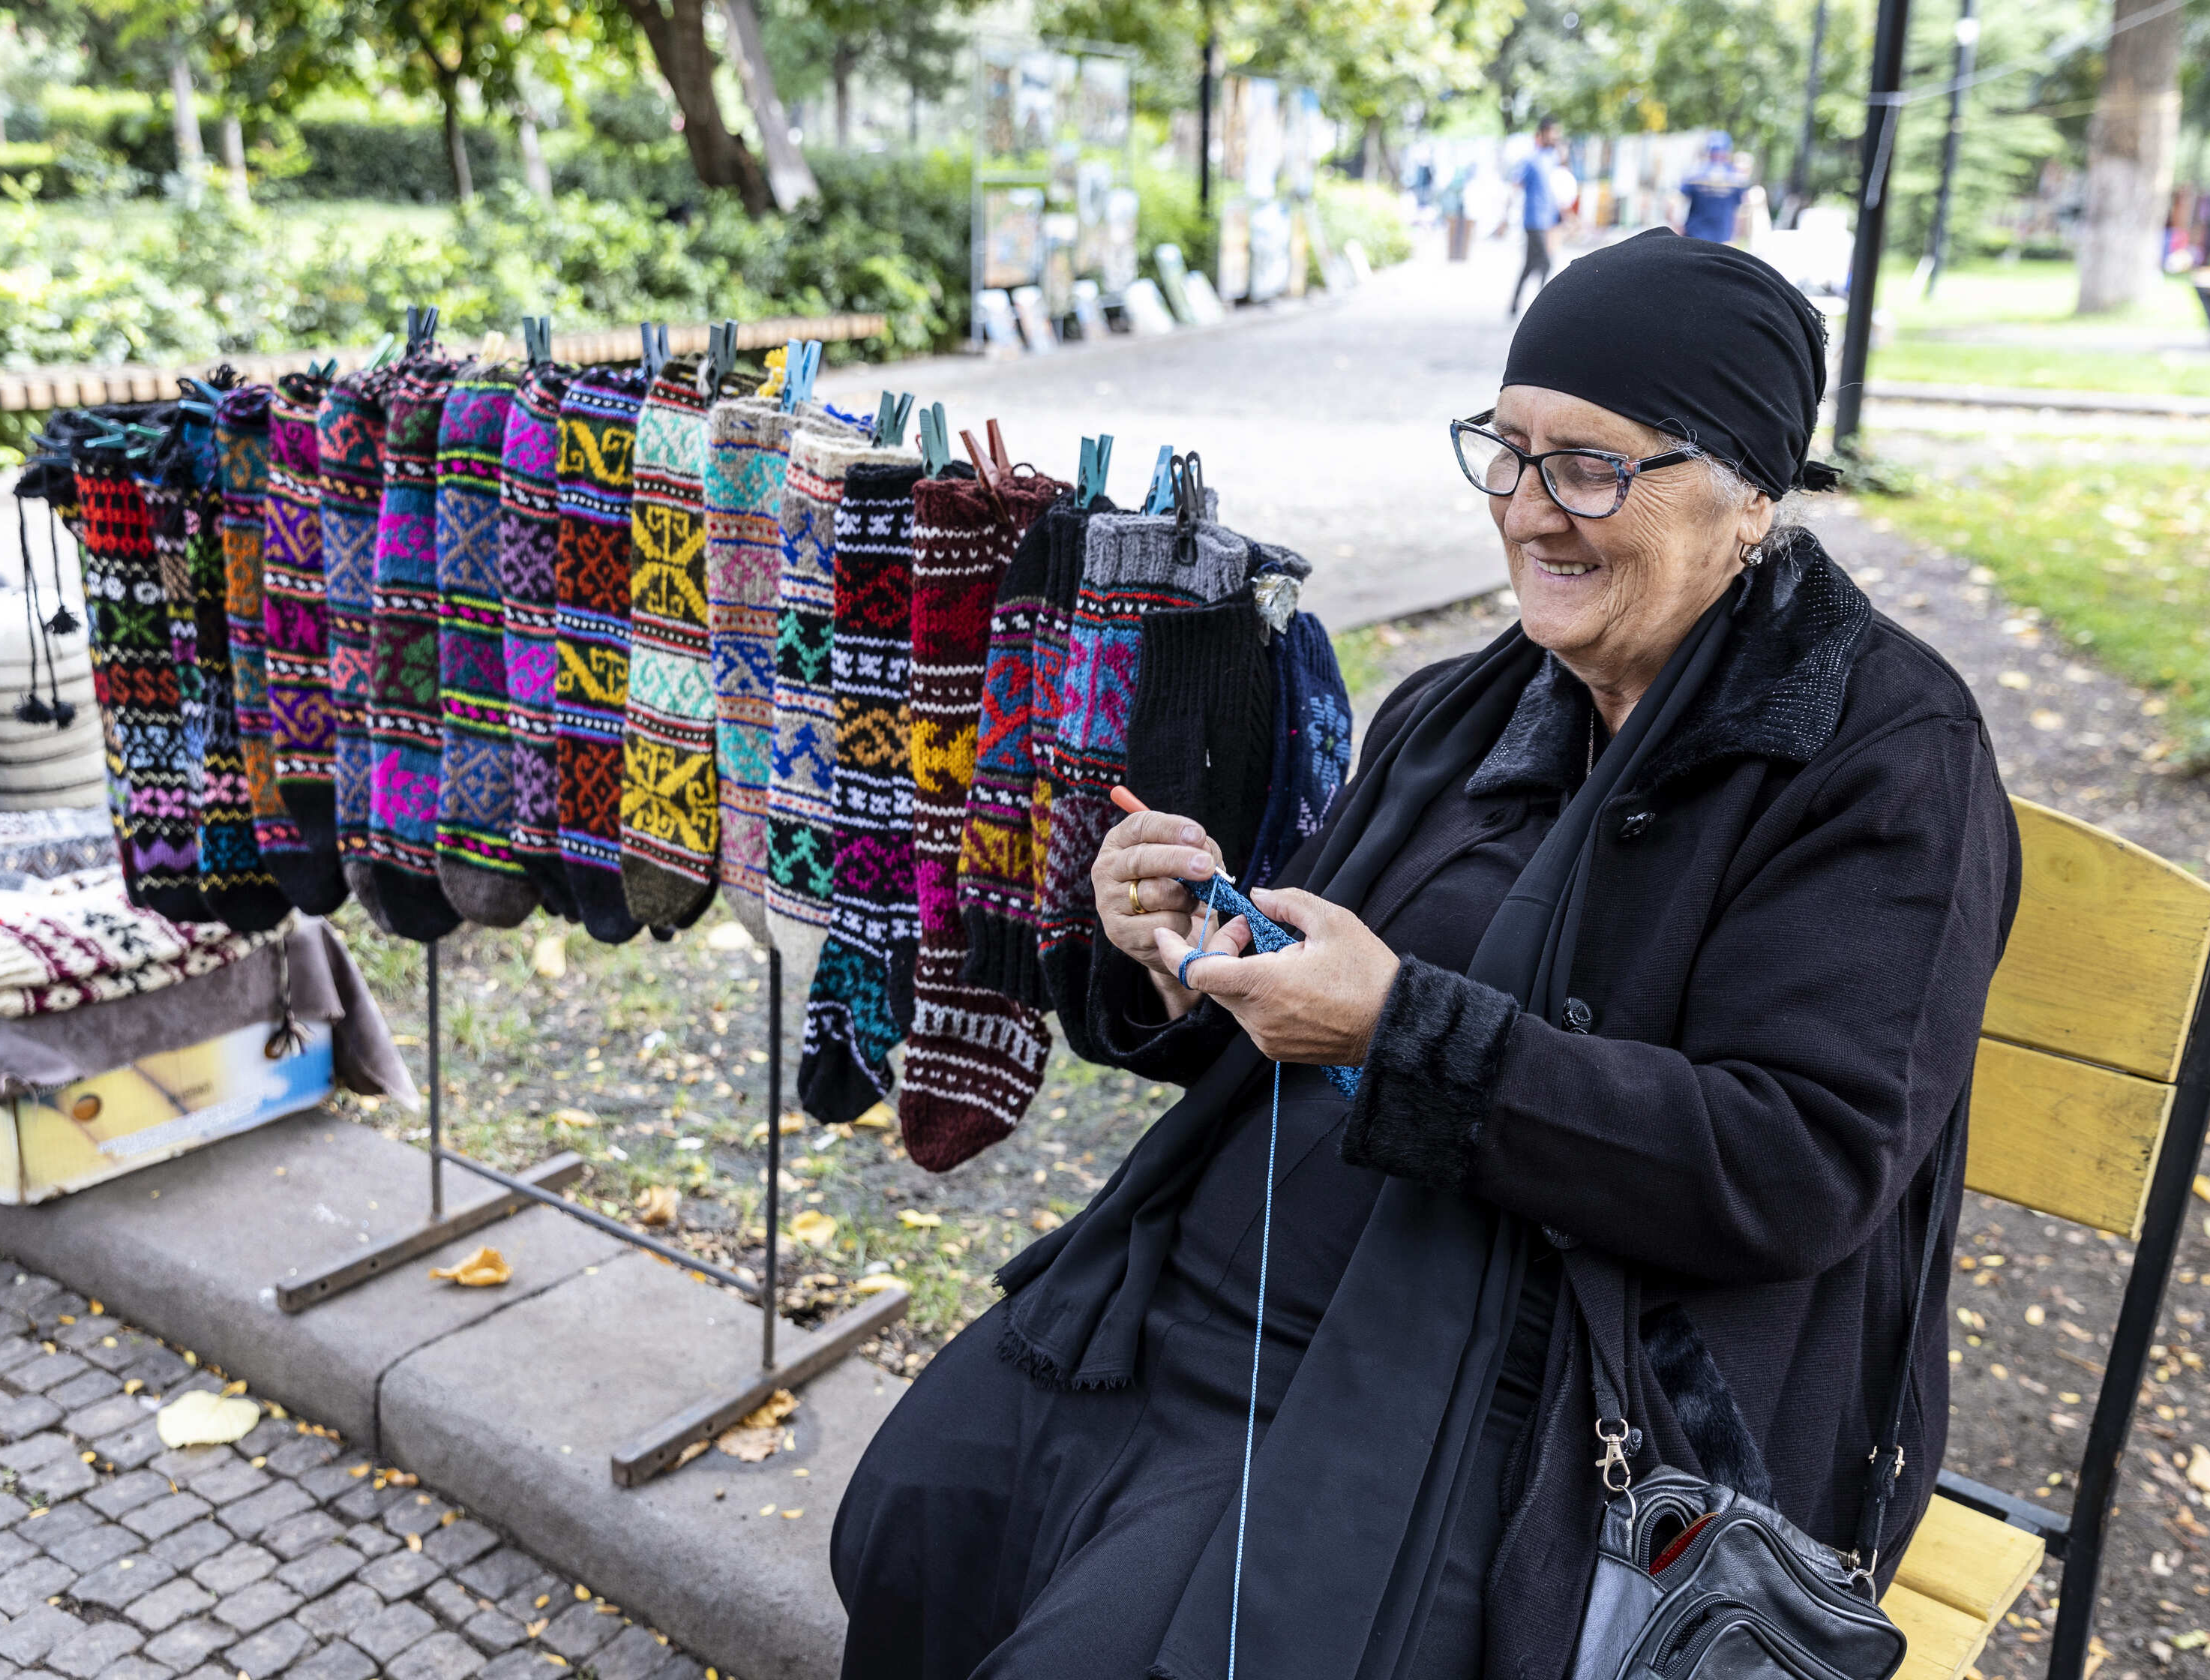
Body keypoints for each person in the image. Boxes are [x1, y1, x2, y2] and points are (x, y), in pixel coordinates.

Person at [832, 229, 2020, 1680]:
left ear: (1751, 499)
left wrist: (1403, 1036)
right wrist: (1188, 954)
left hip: (1531, 1400)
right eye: (1507, 451)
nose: (1528, 510)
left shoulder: (1881, 753)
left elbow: (1798, 1167)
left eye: (1590, 467)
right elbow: (1317, 981)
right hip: (1216, 1291)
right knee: (915, 1521)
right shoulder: (1469, 708)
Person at [1504, 118, 1566, 314]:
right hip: (1534, 220)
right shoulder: (1530, 160)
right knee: (1546, 262)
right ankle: (1541, 309)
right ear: (1542, 134)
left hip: (1548, 220)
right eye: (1552, 133)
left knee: (1530, 264)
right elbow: (1516, 185)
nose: (1555, 137)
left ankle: (1514, 304)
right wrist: (1506, 216)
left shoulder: (1552, 158)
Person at [1678, 131, 1749, 243]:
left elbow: (1677, 201)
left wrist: (1677, 226)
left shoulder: (1695, 175)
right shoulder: (1736, 178)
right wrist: (1738, 237)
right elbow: (1742, 211)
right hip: (1724, 238)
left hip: (1694, 236)